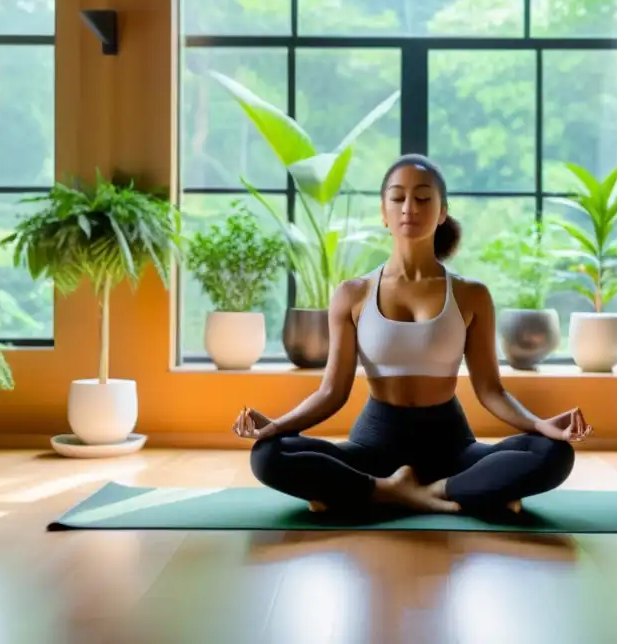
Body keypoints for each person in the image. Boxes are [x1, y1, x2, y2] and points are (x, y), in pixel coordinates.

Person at [232, 154, 592, 516]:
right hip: (373, 449)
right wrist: (276, 425)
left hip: (451, 449)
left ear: (441, 212)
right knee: (268, 454)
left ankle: (418, 490)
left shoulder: (472, 295)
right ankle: (426, 491)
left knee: (554, 452)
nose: (409, 207)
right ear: (383, 212)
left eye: (423, 198)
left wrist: (540, 425)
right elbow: (331, 392)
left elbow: (491, 391)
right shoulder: (352, 294)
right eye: (397, 197)